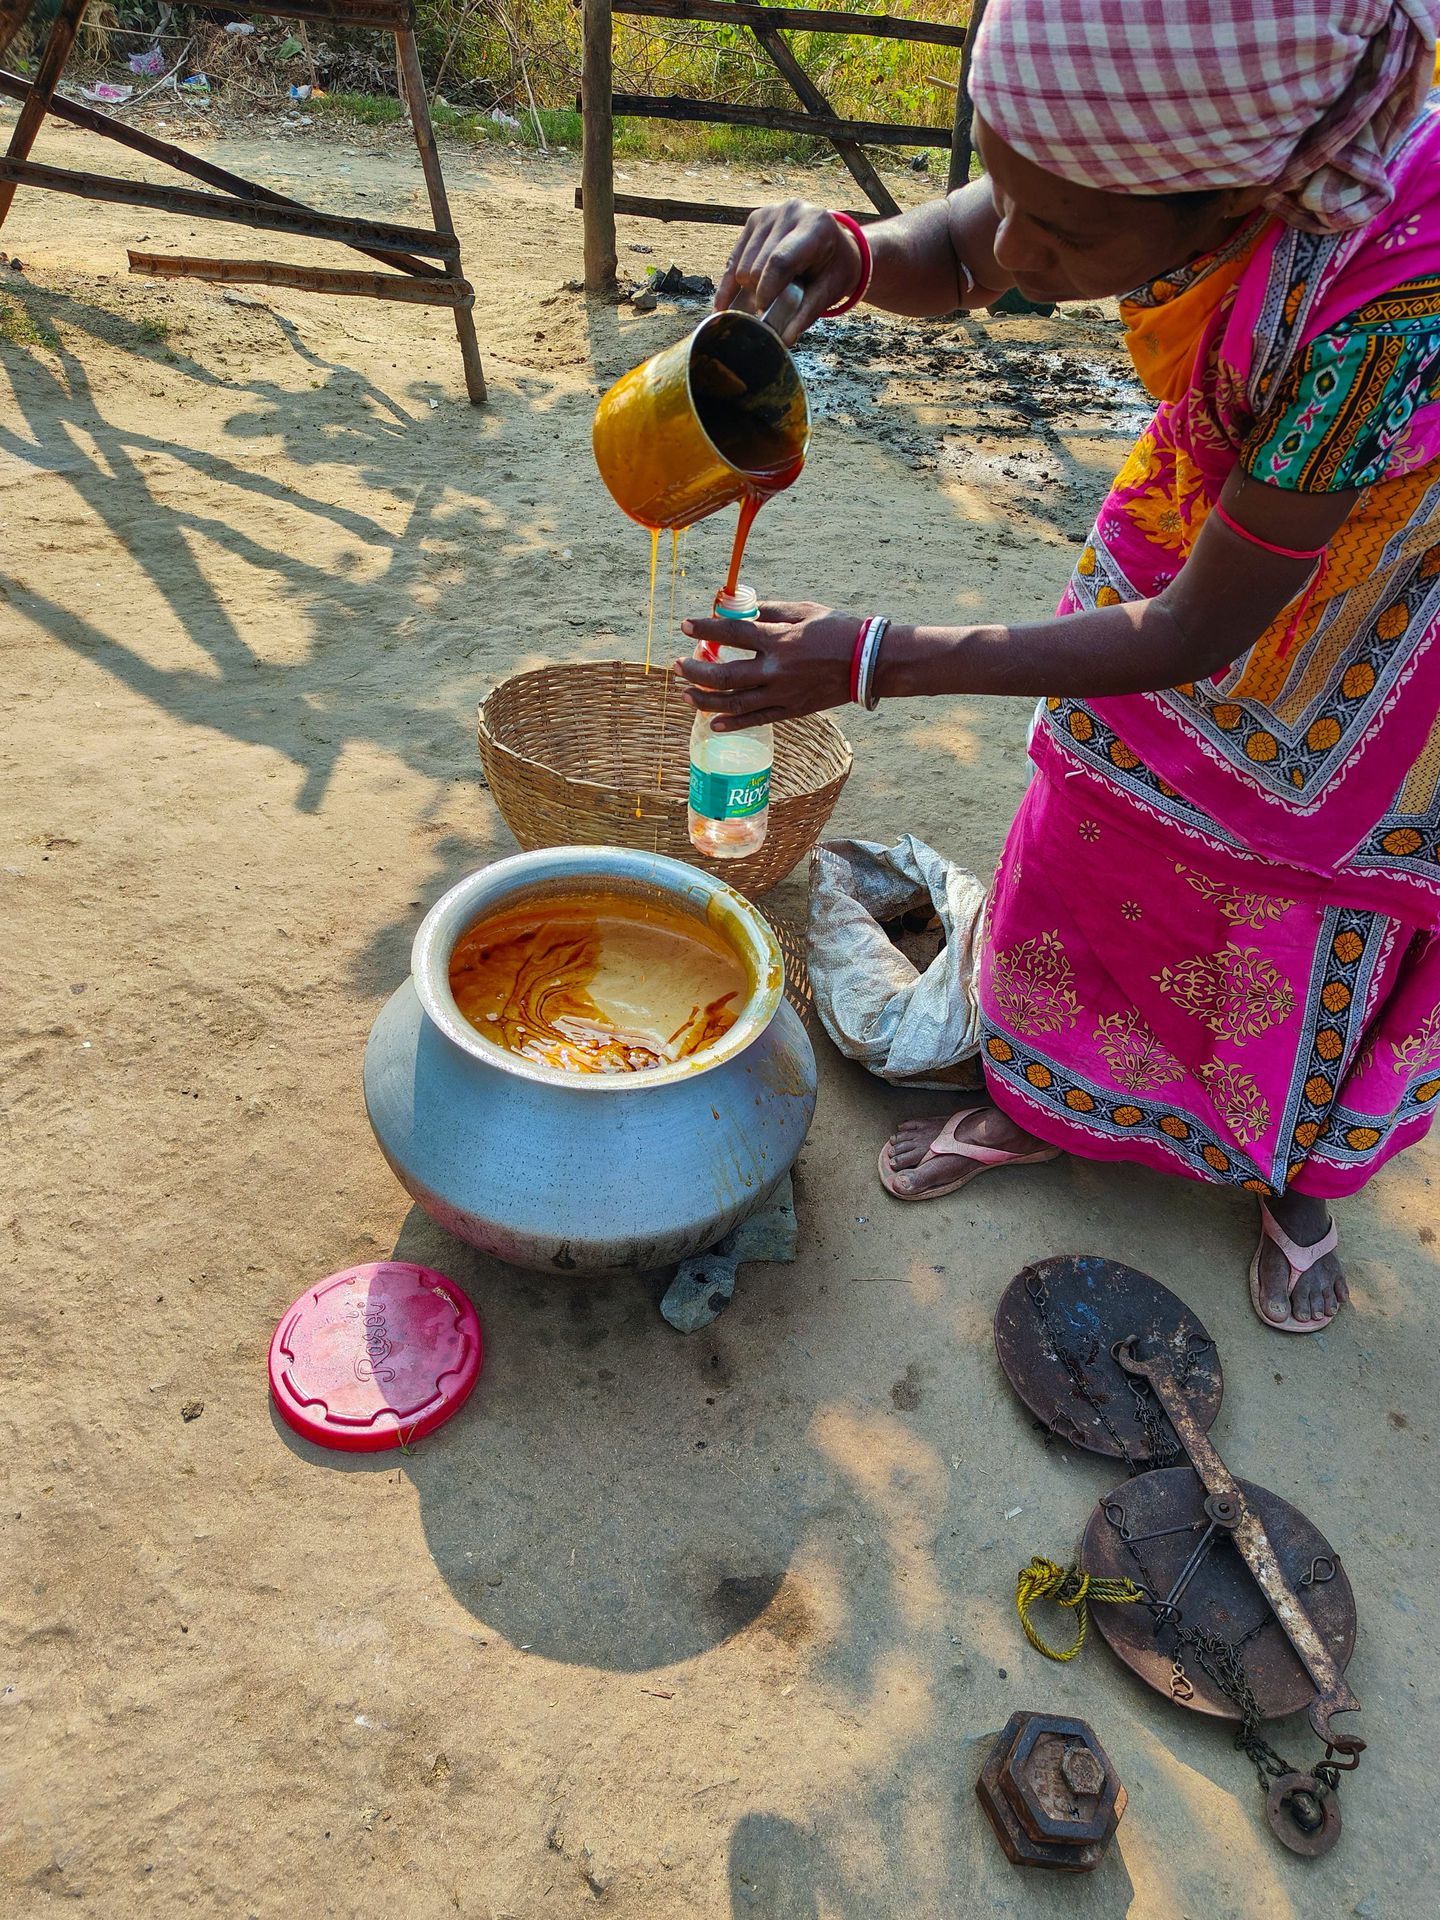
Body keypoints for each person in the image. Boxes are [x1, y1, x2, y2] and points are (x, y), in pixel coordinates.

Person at [676, 0, 1440, 1335]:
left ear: (1240, 202)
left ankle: (1295, 1178)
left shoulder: (1385, 316)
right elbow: (970, 250)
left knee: (1309, 902)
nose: (1024, 249)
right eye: (1010, 186)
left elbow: (1197, 637)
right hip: (1215, 517)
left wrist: (873, 656)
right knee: (1093, 808)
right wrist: (850, 253)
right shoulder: (1147, 168)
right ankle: (1051, 1101)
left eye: (1069, 236)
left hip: (1365, 625)